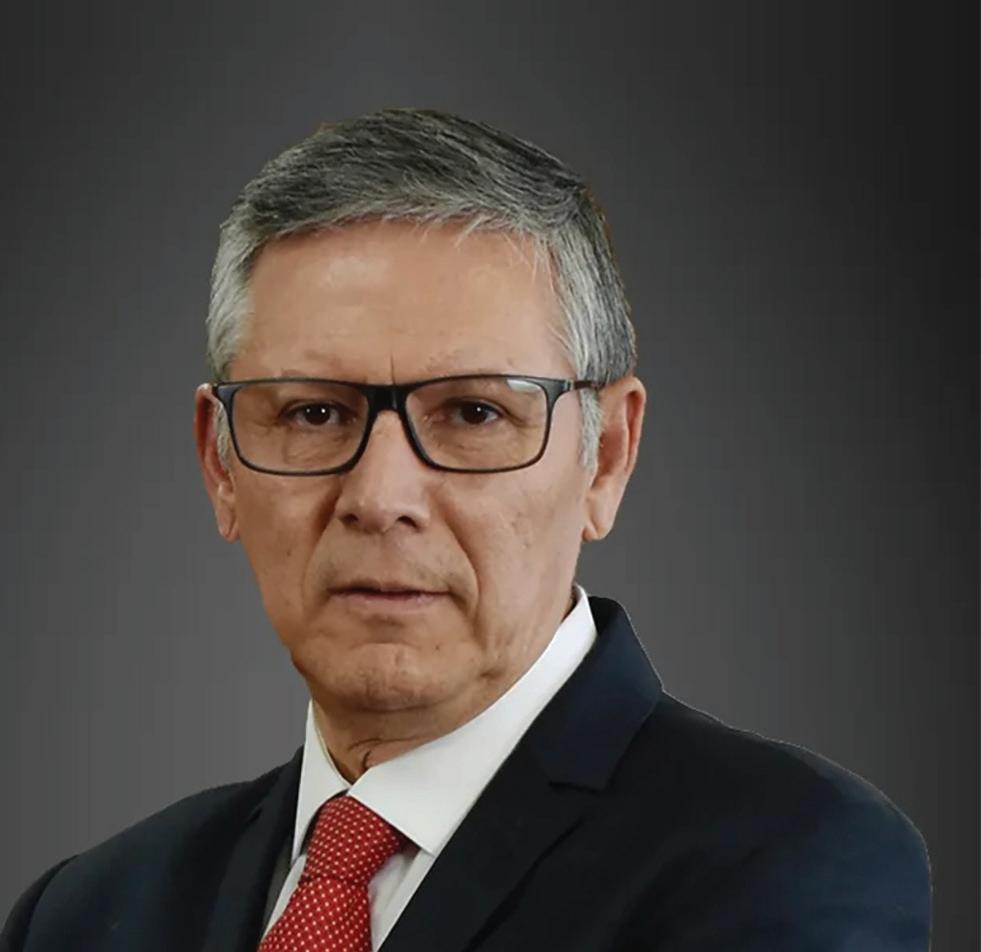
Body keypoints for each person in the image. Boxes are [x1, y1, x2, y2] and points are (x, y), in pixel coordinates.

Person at [1, 108, 930, 952]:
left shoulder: (787, 859)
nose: (379, 497)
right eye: (314, 414)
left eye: (475, 413)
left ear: (605, 458)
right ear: (220, 464)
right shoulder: (84, 916)